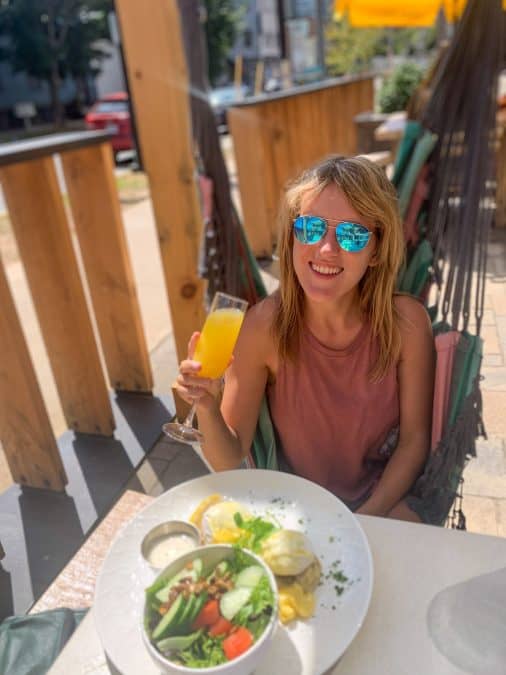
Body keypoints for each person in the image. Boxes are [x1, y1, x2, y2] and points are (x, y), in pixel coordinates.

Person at [176, 155, 435, 522]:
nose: (326, 249)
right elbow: (229, 458)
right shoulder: (263, 327)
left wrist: (365, 519)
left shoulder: (407, 325)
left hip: (380, 503)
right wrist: (205, 405)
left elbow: (414, 443)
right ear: (292, 237)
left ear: (376, 250)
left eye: (351, 234)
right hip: (297, 510)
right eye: (311, 228)